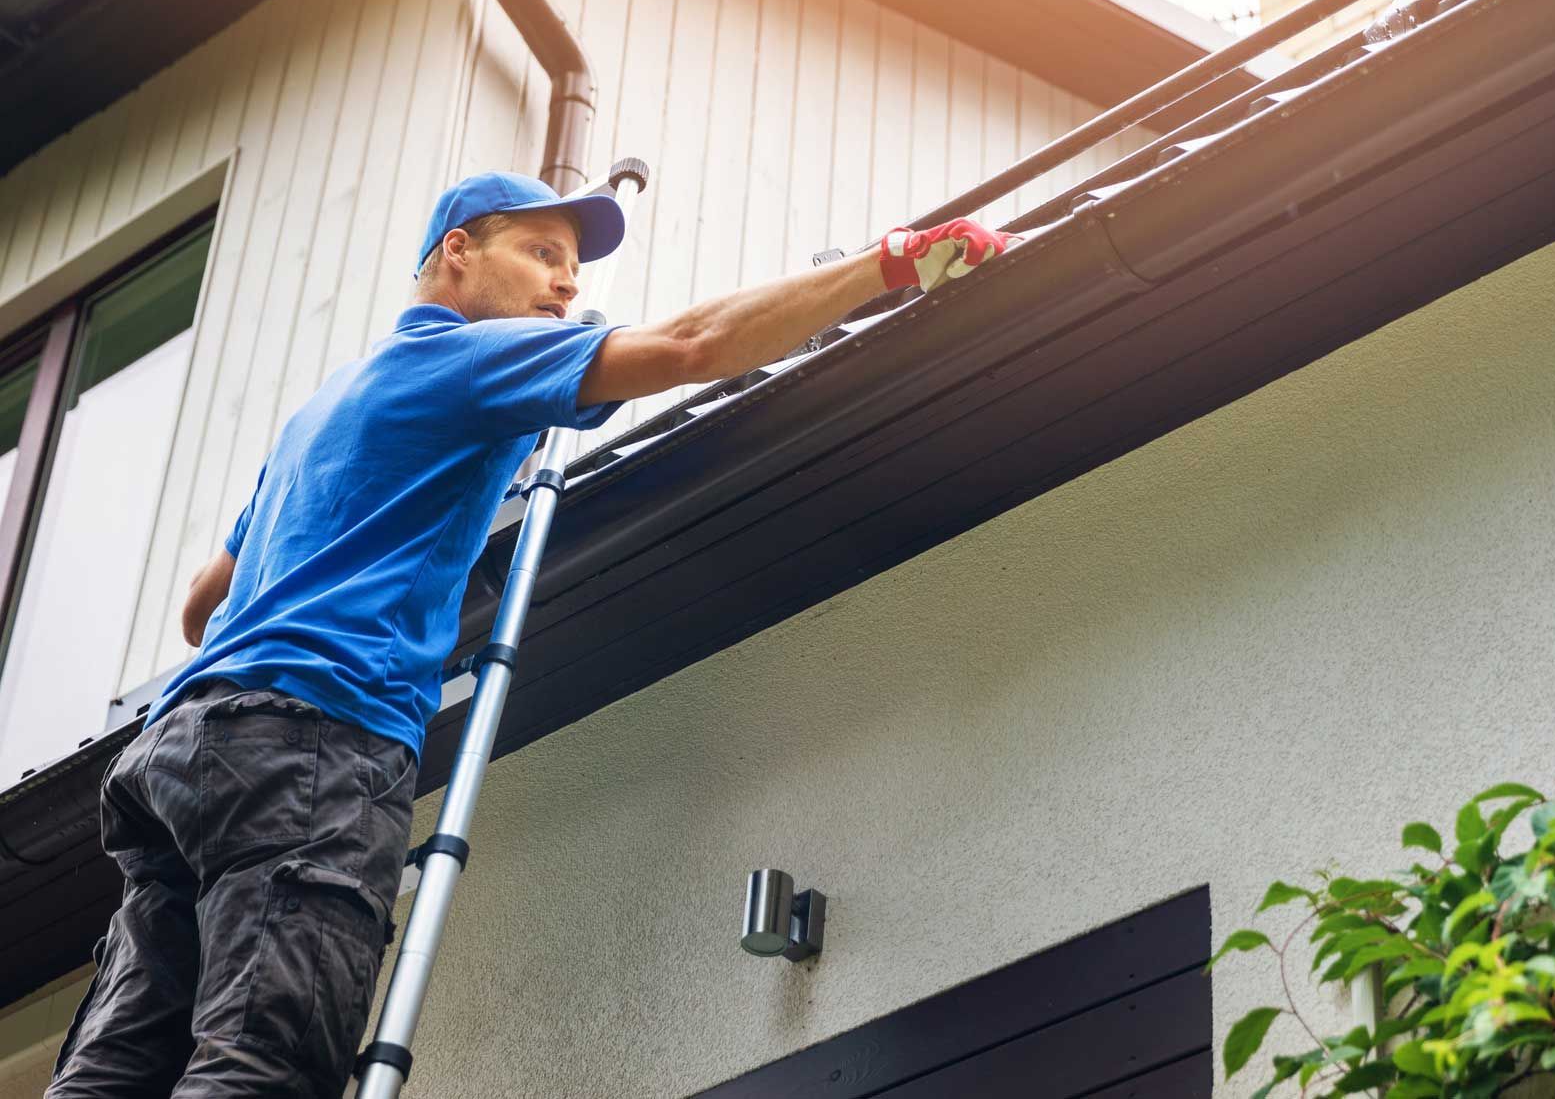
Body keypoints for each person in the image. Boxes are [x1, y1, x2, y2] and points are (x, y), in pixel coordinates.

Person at [45, 170, 1014, 1098]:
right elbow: (689, 344)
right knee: (267, 1055)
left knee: (118, 1067)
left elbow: (200, 606)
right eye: (542, 251)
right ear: (456, 254)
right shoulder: (464, 358)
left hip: (180, 752)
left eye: (575, 268)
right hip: (311, 744)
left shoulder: (322, 412)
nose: (565, 281)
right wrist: (891, 260)